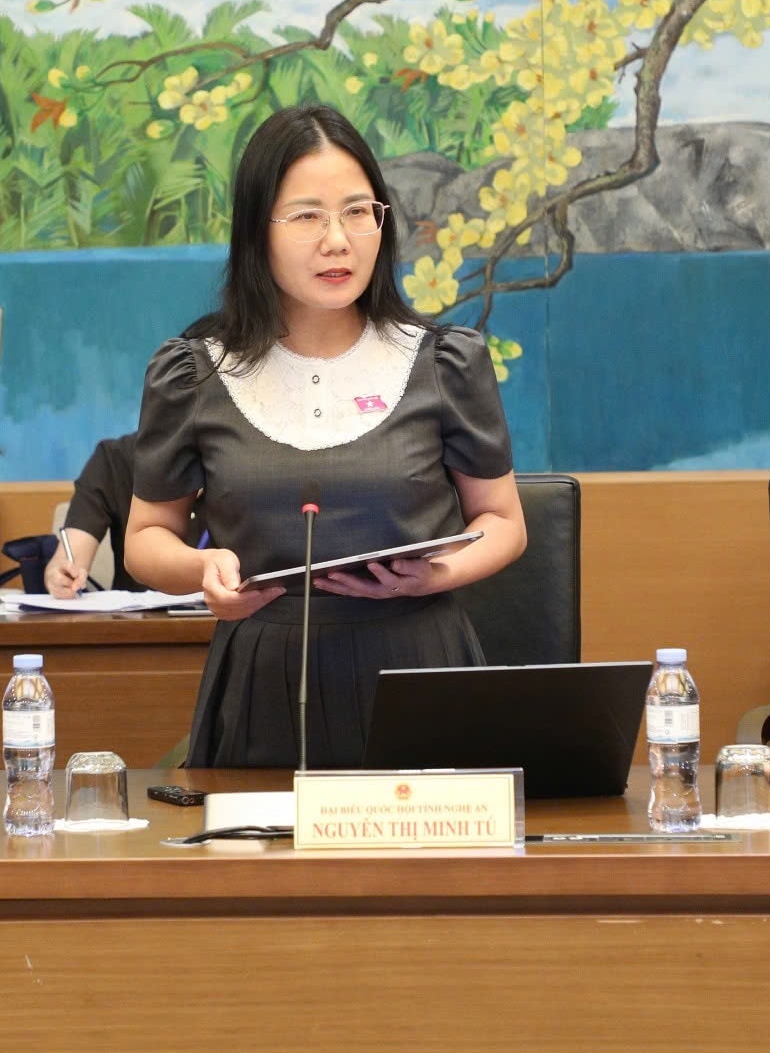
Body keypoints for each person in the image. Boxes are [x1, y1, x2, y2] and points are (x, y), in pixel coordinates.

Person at [126, 103, 527, 768]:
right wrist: (202, 570)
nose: (337, 240)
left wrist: (434, 575)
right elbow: (145, 538)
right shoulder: (195, 372)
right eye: (307, 216)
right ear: (256, 230)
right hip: (264, 682)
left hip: (419, 671)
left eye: (357, 211)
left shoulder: (443, 362)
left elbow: (504, 522)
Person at [43, 432, 204, 597]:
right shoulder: (115, 458)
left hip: (216, 608)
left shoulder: (222, 462)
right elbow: (73, 554)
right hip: (139, 611)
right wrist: (60, 574)